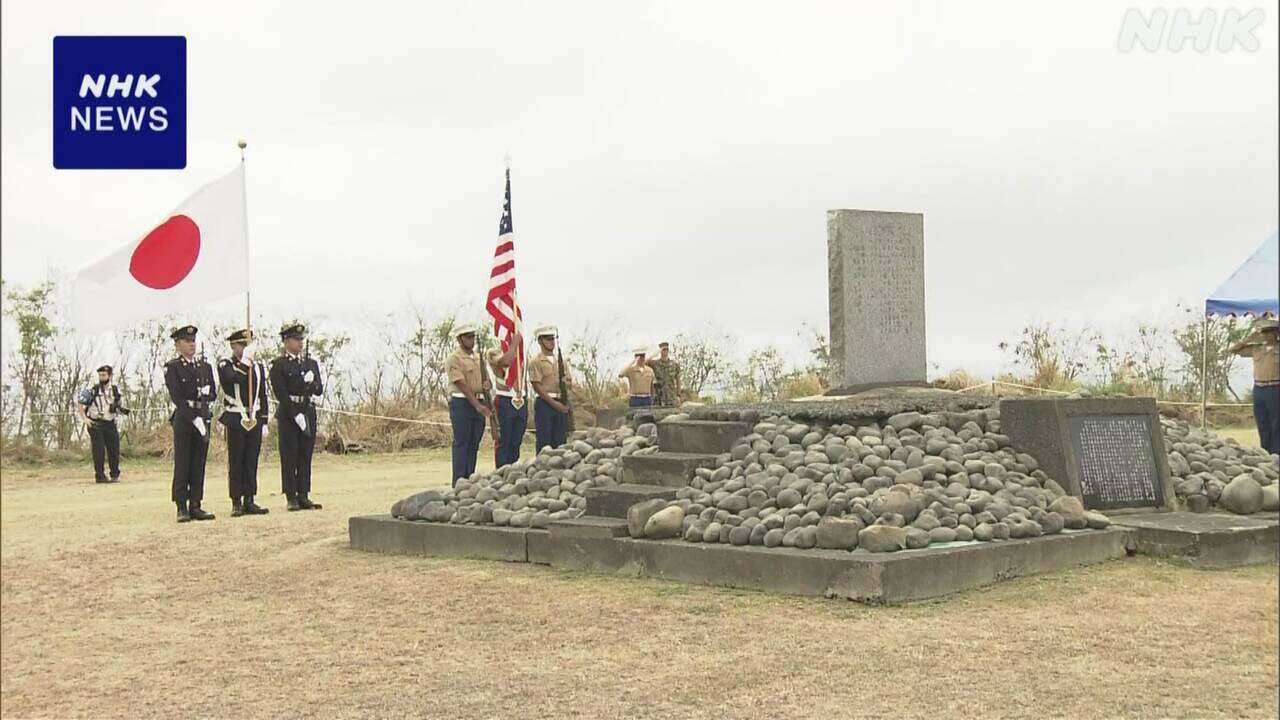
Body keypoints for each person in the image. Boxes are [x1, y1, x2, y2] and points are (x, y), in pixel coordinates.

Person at [164, 325, 217, 522]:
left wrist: (206, 393)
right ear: (178, 345)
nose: (191, 344)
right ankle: (181, 506)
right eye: (187, 341)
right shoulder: (173, 367)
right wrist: (193, 418)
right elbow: (176, 397)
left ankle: (196, 503)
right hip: (185, 419)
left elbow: (213, 393)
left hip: (202, 414)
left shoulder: (204, 367)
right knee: (183, 462)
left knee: (198, 462)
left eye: (193, 341)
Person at [270, 323, 324, 511]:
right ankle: (291, 496)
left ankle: (304, 494)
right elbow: (281, 393)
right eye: (296, 339)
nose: (300, 343)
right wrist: (295, 414)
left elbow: (319, 390)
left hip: (307, 409)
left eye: (301, 339)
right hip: (288, 413)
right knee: (289, 454)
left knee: (305, 454)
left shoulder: (310, 363)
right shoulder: (279, 365)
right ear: (286, 341)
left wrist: (312, 383)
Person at [218, 329, 271, 517]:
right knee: (237, 461)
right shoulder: (226, 364)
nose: (246, 348)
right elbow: (235, 380)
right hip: (235, 417)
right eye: (242, 345)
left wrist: (264, 420)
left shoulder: (257, 367)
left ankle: (250, 498)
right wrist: (245, 361)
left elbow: (263, 394)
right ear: (233, 346)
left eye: (248, 345)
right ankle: (236, 501)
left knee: (251, 461)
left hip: (253, 417)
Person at [446, 323, 490, 485]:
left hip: (478, 400)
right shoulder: (454, 358)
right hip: (462, 402)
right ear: (460, 339)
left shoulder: (478, 358)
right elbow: (461, 384)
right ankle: (458, 482)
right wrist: (477, 406)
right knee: (462, 442)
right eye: (468, 337)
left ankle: (469, 479)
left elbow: (486, 381)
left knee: (474, 443)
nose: (472, 340)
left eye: (473, 337)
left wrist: (487, 386)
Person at [1230, 316, 1280, 454]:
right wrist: (1250, 338)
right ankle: (1265, 449)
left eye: (1272, 331)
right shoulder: (1257, 348)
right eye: (1266, 332)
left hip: (1274, 388)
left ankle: (1276, 453)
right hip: (1259, 389)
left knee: (1276, 422)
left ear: (1277, 333)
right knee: (1262, 421)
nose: (1268, 334)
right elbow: (1233, 350)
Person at [76, 364, 130, 484]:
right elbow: (80, 403)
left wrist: (120, 410)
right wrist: (85, 419)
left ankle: (114, 474)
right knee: (99, 451)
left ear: (109, 376)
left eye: (104, 375)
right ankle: (100, 476)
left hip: (110, 422)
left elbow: (120, 405)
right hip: (96, 423)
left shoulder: (116, 390)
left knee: (114, 450)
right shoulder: (93, 390)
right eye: (100, 375)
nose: (102, 377)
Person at [527, 325, 572, 451]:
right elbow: (537, 385)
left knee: (560, 442)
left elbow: (569, 382)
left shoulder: (561, 361)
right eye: (548, 339)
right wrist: (554, 404)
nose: (552, 342)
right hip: (545, 403)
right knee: (544, 442)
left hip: (561, 401)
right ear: (540, 341)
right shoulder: (536, 361)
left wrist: (566, 385)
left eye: (553, 339)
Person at [485, 329, 526, 467]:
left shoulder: (520, 351)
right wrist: (513, 345)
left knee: (516, 440)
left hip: (520, 399)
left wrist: (516, 347)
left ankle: (513, 470)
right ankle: (501, 474)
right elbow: (505, 362)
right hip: (504, 399)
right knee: (504, 440)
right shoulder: (494, 352)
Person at [650, 341, 683, 407]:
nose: (665, 351)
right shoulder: (655, 363)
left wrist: (678, 394)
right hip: (659, 397)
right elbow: (644, 363)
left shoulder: (674, 364)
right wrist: (654, 354)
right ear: (660, 351)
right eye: (663, 349)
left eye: (666, 349)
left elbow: (678, 380)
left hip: (671, 396)